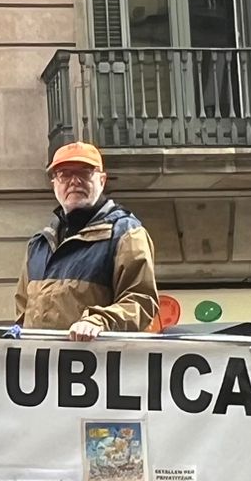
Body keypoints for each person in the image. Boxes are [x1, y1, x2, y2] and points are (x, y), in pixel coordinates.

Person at [14, 140, 158, 340]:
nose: (74, 181)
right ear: (54, 184)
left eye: (84, 172)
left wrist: (98, 321)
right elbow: (22, 315)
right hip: (41, 359)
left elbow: (141, 302)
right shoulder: (38, 245)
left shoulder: (126, 234)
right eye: (64, 174)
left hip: (95, 359)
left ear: (102, 180)